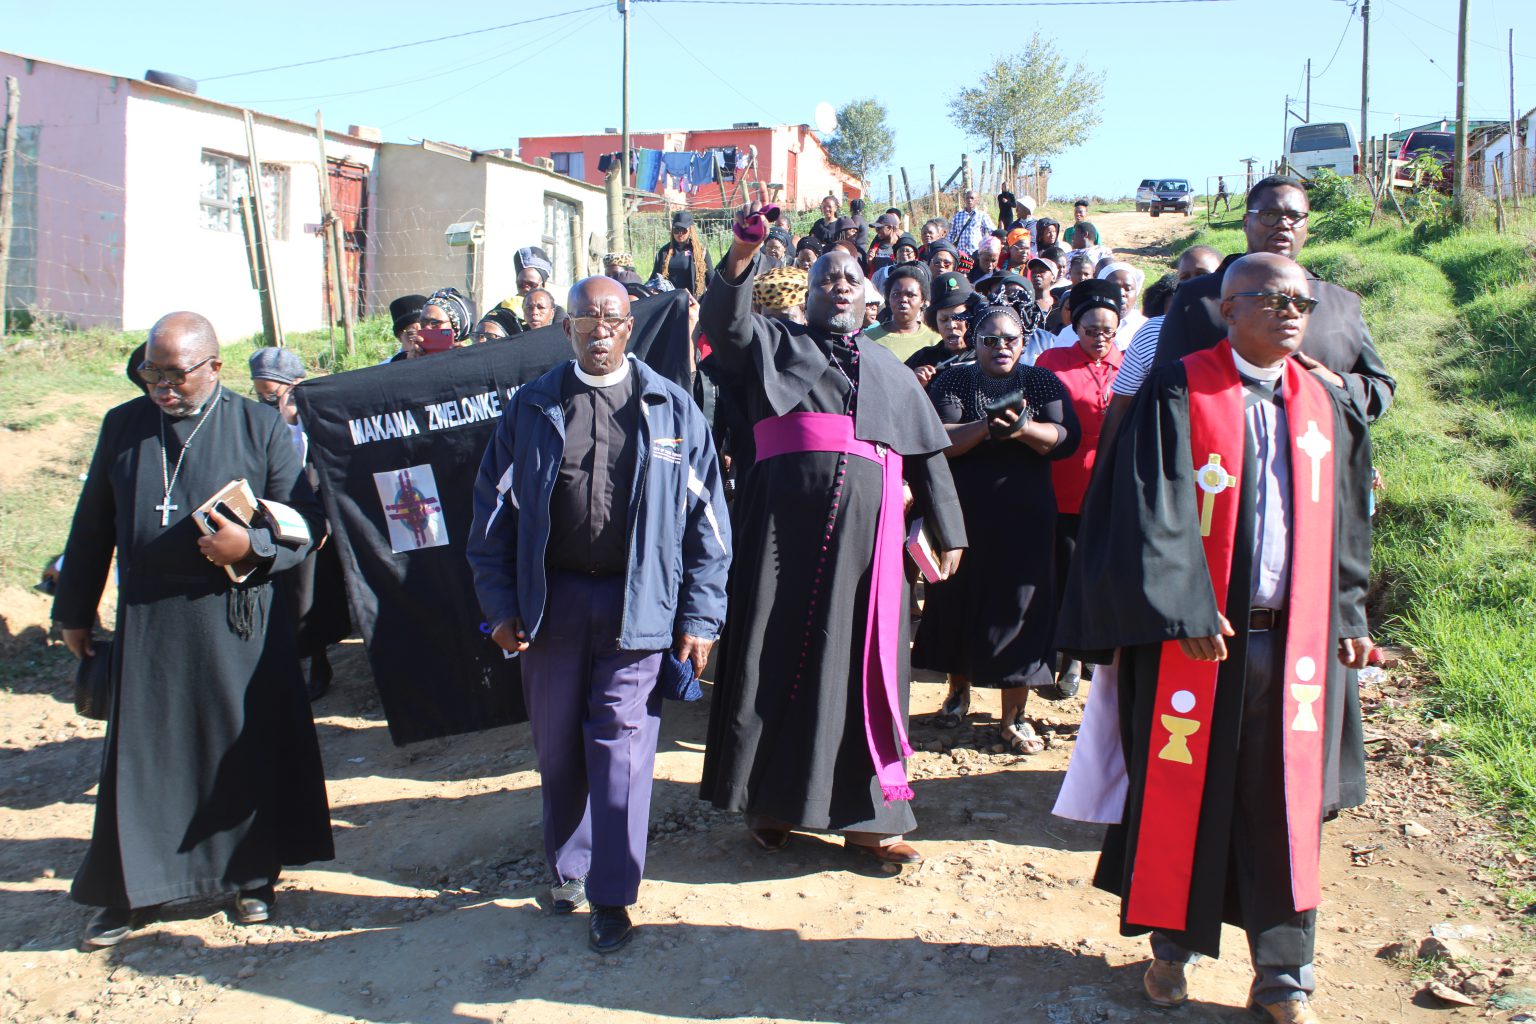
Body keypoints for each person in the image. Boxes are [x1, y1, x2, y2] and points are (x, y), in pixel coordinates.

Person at [1054, 254, 1374, 1024]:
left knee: (1286, 805)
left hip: (1296, 643)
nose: (1292, 311)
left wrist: (1351, 612)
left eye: (1302, 300)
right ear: (1229, 308)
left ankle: (1283, 974)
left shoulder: (1325, 403)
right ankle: (1173, 946)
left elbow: (1350, 521)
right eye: (1271, 298)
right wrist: (1182, 608)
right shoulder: (1179, 386)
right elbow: (1147, 508)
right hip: (1194, 643)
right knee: (1182, 795)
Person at [467, 276, 731, 954]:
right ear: (567, 328)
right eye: (586, 317)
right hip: (550, 605)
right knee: (558, 748)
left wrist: (700, 619)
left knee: (621, 748)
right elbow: (490, 519)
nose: (600, 328)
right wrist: (498, 606)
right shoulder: (532, 407)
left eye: (612, 317)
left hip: (637, 604)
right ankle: (569, 871)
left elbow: (709, 527)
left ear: (631, 327)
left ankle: (613, 895)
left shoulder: (672, 409)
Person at [699, 202, 967, 869]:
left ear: (868, 292)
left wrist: (949, 529)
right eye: (825, 279)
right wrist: (742, 252)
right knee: (775, 660)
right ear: (808, 292)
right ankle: (769, 805)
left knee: (867, 673)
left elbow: (926, 453)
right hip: (778, 544)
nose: (839, 286)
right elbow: (723, 324)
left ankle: (870, 818)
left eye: (850, 278)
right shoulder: (771, 342)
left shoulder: (893, 369)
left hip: (869, 554)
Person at [53, 311, 332, 948]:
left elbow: (307, 521)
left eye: (176, 375)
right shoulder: (124, 426)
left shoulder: (258, 427)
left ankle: (251, 877)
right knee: (145, 759)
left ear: (213, 367)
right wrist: (73, 609)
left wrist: (251, 546)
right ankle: (131, 889)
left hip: (235, 623)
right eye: (152, 373)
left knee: (240, 748)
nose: (163, 388)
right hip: (149, 620)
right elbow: (92, 524)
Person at [913, 298, 1080, 753]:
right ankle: (956, 694)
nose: (1000, 347)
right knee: (957, 601)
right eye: (989, 340)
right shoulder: (954, 378)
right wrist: (986, 428)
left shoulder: (1042, 380)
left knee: (1021, 609)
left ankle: (1014, 715)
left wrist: (1024, 429)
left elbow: (1066, 439)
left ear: (1023, 343)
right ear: (975, 343)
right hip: (962, 516)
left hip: (1026, 517)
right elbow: (938, 439)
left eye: (1009, 339)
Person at [1153, 176, 1395, 425]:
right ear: (1246, 222)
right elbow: (1164, 391)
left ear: (1306, 226)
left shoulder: (1341, 303)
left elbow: (1381, 387)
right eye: (1270, 214)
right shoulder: (1198, 298)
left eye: (1295, 216)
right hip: (1221, 454)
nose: (1283, 224)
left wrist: (1337, 383)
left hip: (1317, 453)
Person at [1035, 279, 1124, 698]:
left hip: (1112, 489)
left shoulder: (1130, 364)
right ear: (1076, 327)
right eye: (1091, 331)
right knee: (1066, 573)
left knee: (1101, 575)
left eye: (1108, 331)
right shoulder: (1053, 360)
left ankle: (1089, 654)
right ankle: (1066, 657)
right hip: (1061, 484)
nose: (1100, 339)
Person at [248, 348, 350, 701]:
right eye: (258, 393)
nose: (265, 400)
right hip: (273, 513)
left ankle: (319, 660)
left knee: (313, 591)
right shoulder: (259, 419)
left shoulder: (318, 415)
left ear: (295, 385)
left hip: (317, 513)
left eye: (271, 393)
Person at [906, 272, 976, 385]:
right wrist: (913, 383)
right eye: (943, 320)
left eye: (958, 318)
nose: (951, 325)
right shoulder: (923, 358)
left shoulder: (986, 355)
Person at [863, 265, 939, 363]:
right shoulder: (868, 338)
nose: (903, 299)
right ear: (888, 298)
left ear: (922, 301)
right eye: (896, 294)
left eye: (910, 295)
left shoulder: (935, 340)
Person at [653, 211, 710, 296]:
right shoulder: (664, 252)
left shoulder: (701, 252)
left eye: (683, 230)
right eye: (676, 229)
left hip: (693, 302)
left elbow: (711, 281)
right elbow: (655, 278)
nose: (680, 233)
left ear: (690, 230)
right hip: (670, 301)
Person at [949, 189, 995, 255]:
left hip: (976, 253)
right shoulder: (957, 216)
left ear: (977, 200)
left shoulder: (982, 216)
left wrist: (988, 247)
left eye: (972, 198)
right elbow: (951, 234)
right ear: (964, 200)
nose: (969, 200)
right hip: (961, 254)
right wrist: (947, 248)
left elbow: (993, 232)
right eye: (967, 198)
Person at [387, 293, 427, 362]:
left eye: (425, 331)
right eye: (412, 333)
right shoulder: (387, 367)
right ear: (399, 337)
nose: (419, 338)